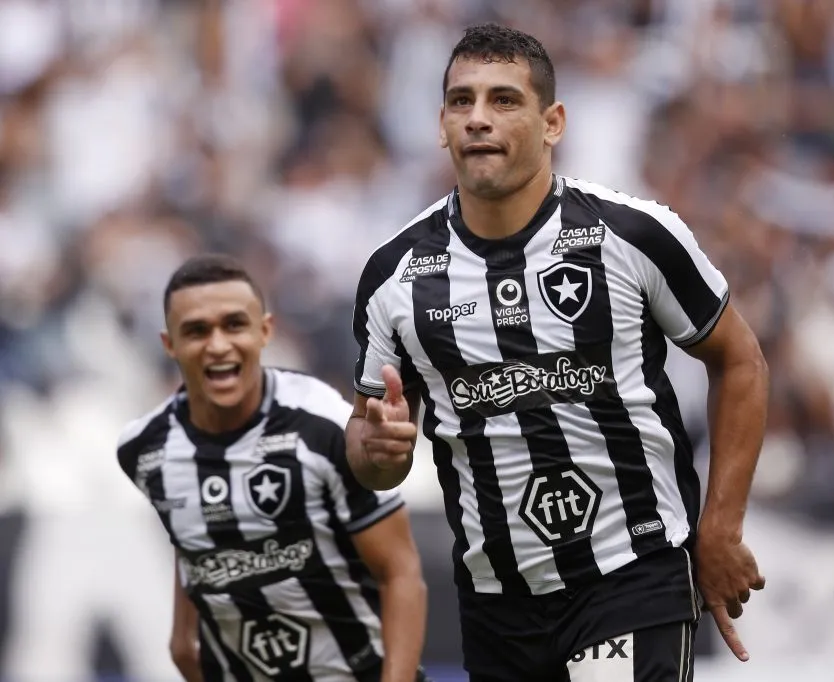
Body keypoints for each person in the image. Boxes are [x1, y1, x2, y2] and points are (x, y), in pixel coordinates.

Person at [347, 23, 770, 682]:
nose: (479, 119)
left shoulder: (633, 234)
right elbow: (369, 444)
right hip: (495, 608)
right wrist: (374, 453)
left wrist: (720, 527)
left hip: (631, 575)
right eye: (462, 102)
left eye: (503, 100)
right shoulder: (393, 276)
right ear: (440, 125)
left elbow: (740, 359)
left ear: (553, 123)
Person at [116, 254, 430, 682]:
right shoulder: (143, 449)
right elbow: (189, 540)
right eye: (196, 331)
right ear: (169, 344)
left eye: (233, 325)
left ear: (265, 330)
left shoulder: (324, 426)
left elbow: (400, 572)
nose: (218, 344)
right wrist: (182, 640)